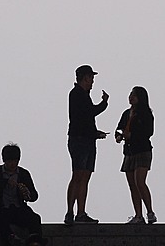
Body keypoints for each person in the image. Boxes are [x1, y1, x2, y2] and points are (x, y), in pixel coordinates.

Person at [65, 64, 109, 226]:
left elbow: (85, 117)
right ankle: (71, 212)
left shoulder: (82, 95)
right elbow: (88, 113)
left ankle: (80, 213)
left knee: (84, 177)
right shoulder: (77, 94)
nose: (92, 82)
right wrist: (104, 103)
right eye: (91, 78)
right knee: (78, 176)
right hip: (80, 140)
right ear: (85, 78)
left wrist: (94, 133)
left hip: (86, 139)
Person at [0, 143, 42, 243]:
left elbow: (34, 196)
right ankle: (11, 239)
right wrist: (4, 182)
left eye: (15, 161)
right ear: (4, 160)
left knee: (35, 218)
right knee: (0, 220)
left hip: (19, 208)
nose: (13, 164)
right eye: (10, 161)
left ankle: (35, 241)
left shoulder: (23, 173)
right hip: (0, 209)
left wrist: (27, 194)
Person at [115, 86, 157, 224]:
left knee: (140, 181)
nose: (131, 97)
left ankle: (150, 212)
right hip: (129, 151)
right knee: (132, 185)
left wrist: (132, 135)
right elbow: (119, 128)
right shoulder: (126, 113)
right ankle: (138, 215)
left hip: (142, 150)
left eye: (134, 95)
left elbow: (149, 132)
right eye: (130, 94)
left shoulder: (146, 113)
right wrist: (119, 135)